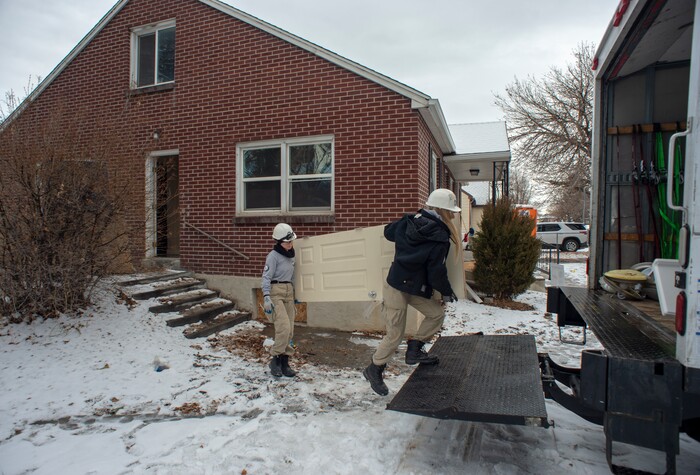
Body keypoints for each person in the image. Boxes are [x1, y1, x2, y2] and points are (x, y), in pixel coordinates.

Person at [363, 189, 461, 396]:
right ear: (443, 210)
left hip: (413, 286)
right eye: (451, 211)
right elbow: (436, 271)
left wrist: (406, 220)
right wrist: (446, 292)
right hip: (397, 287)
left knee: (436, 314)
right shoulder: (441, 237)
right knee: (394, 335)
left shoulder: (409, 221)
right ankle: (374, 369)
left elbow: (388, 232)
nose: (453, 215)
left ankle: (415, 349)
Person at [261, 223, 298, 378]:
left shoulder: (292, 254)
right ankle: (275, 359)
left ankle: (285, 362)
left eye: (291, 242)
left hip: (289, 292)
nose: (290, 244)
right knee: (283, 327)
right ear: (279, 242)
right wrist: (266, 296)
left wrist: (297, 295)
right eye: (287, 242)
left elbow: (294, 275)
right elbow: (266, 276)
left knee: (290, 329)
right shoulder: (273, 256)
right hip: (276, 293)